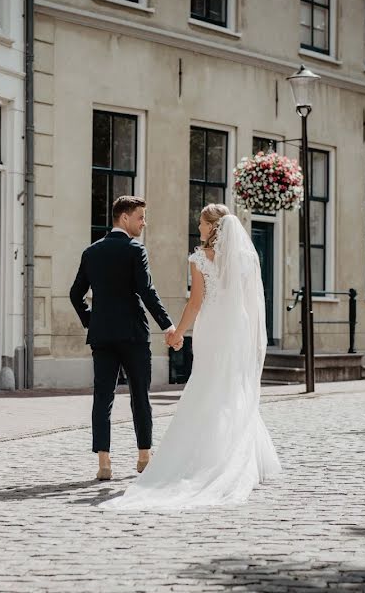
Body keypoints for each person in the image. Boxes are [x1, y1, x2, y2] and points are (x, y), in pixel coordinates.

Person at [99, 203, 282, 511]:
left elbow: (196, 302)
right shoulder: (248, 258)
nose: (198, 227)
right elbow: (253, 303)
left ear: (213, 227)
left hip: (212, 327)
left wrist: (178, 333)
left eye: (201, 223)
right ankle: (236, 454)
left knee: (208, 384)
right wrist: (250, 336)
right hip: (237, 327)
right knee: (232, 387)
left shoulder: (200, 259)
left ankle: (206, 457)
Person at [69, 196, 176, 481]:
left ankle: (104, 462)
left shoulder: (91, 252)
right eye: (140, 217)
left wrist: (91, 320)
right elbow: (147, 292)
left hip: (102, 335)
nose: (144, 223)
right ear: (125, 218)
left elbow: (74, 294)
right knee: (140, 395)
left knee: (102, 397)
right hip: (133, 335)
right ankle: (143, 457)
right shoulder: (134, 250)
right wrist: (167, 326)